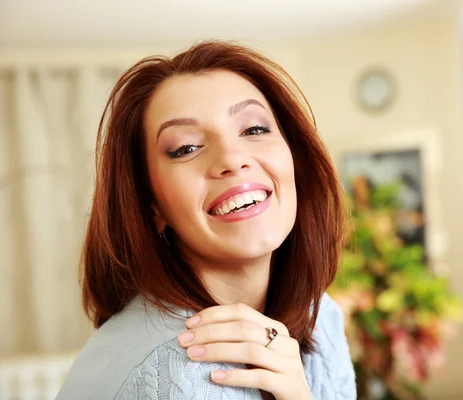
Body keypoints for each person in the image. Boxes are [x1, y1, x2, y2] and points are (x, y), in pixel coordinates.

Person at [57, 41, 356, 400]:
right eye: (186, 148)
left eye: (254, 129)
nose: (232, 158)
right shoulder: (180, 370)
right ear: (151, 205)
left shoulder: (321, 317)